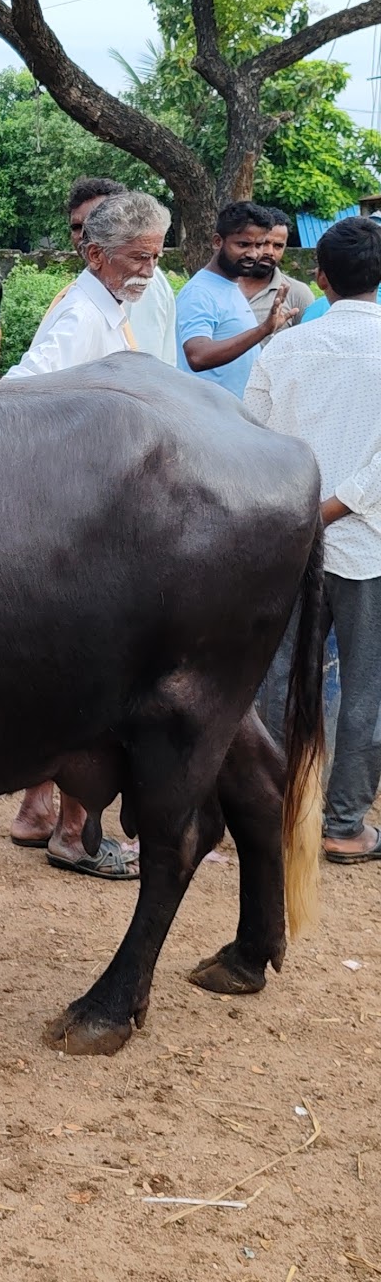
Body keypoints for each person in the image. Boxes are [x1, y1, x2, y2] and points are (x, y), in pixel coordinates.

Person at [5, 191, 171, 880]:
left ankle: (40, 810)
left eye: (158, 256)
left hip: (99, 517)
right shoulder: (79, 316)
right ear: (96, 254)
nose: (151, 269)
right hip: (83, 526)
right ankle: (76, 831)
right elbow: (21, 394)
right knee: (93, 681)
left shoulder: (117, 304)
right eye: (139, 257)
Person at [248, 216, 381, 864]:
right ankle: (345, 822)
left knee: (278, 678)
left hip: (286, 540)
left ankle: (270, 806)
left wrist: (307, 512)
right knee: (368, 689)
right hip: (369, 546)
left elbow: (253, 445)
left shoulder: (284, 349)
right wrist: (333, 509)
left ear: (319, 277)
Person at [175, 201, 295, 397]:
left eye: (259, 245)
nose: (253, 254)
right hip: (208, 419)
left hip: (232, 417)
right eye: (243, 244)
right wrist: (263, 330)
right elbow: (197, 356)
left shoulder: (230, 285)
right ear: (217, 242)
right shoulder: (200, 292)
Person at [64, 176, 176, 365]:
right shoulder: (99, 286)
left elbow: (142, 367)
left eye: (100, 223)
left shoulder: (138, 281)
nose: (85, 235)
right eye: (77, 227)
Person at [245, 207, 316, 330]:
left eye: (278, 246)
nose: (270, 252)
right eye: (264, 243)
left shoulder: (298, 294)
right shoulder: (222, 286)